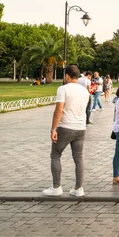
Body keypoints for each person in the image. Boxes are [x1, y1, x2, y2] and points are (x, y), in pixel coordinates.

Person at [43, 65, 90, 197]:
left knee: (56, 155)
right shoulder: (84, 91)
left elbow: (59, 110)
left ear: (68, 76)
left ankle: (56, 187)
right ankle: (78, 188)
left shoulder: (63, 89)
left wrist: (53, 129)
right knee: (78, 158)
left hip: (65, 127)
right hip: (80, 128)